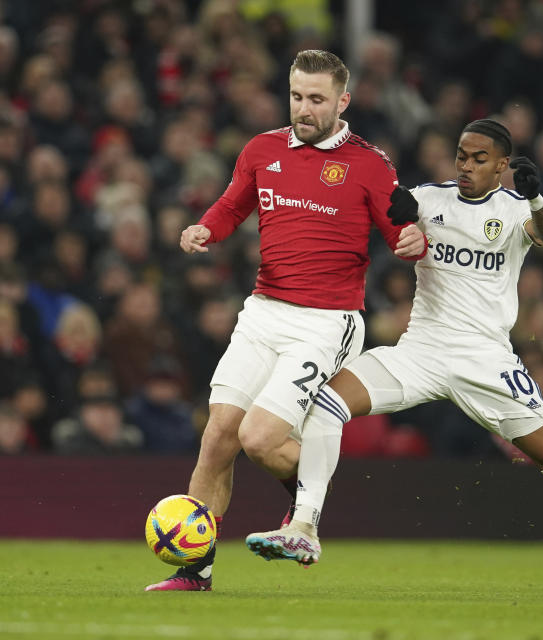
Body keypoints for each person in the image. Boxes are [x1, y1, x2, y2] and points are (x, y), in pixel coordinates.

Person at [245, 119, 543, 600]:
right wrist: (392, 211)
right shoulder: (430, 199)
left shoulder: (515, 210)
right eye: (461, 156)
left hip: (486, 358)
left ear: (502, 166)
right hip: (422, 349)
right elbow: (376, 205)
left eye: (478, 159)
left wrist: (537, 198)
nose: (466, 166)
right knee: (328, 402)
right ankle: (304, 527)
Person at [145, 50, 426, 592]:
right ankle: (195, 571)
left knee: (259, 438)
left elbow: (401, 232)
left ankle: (307, 513)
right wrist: (204, 228)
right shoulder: (262, 149)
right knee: (219, 434)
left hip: (327, 320)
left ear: (343, 101)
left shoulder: (370, 163)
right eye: (297, 96)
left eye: (317, 99)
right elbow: (231, 205)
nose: (305, 108)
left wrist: (414, 242)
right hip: (263, 311)